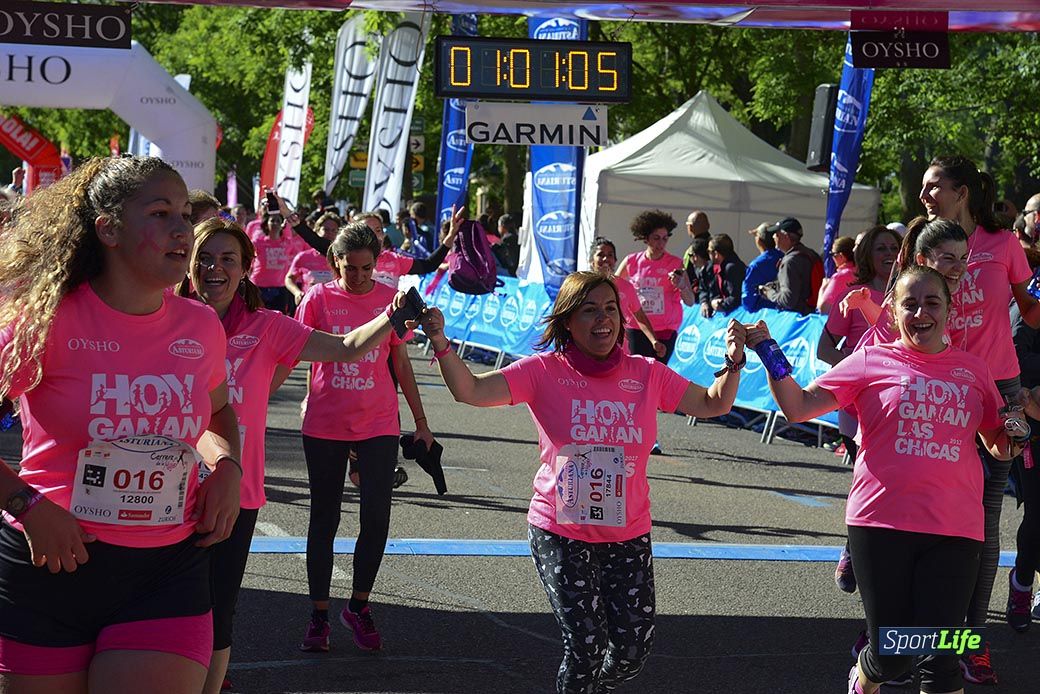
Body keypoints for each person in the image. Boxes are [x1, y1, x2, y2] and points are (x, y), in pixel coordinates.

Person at [423, 270, 745, 694]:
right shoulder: (543, 371)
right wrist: (441, 342)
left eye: (610, 308)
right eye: (590, 310)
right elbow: (471, 390)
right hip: (561, 531)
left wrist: (733, 362)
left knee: (631, 653)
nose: (603, 319)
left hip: (627, 534)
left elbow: (712, 402)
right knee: (587, 648)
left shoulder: (647, 374)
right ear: (568, 321)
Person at [0, 156, 242, 692]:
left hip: (166, 571)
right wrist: (25, 504)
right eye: (160, 213)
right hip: (52, 561)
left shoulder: (200, 325)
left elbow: (217, 412)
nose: (182, 229)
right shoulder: (45, 319)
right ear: (108, 229)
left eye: (185, 214)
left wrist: (227, 466)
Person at [750, 265, 1020, 694]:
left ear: (949, 310)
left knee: (943, 656)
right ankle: (866, 675)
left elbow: (997, 444)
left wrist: (1016, 436)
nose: (921, 313)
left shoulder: (973, 370)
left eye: (932, 303)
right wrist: (767, 349)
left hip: (956, 529)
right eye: (910, 304)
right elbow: (799, 406)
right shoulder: (870, 361)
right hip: (881, 524)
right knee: (893, 656)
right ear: (893, 311)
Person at [178, 217, 414, 693]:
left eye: (227, 259)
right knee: (170, 608)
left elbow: (345, 348)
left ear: (246, 267)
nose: (214, 268)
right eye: (204, 258)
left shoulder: (267, 327)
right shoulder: (163, 317)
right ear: (188, 264)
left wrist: (391, 318)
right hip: (165, 490)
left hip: (235, 490)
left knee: (220, 607)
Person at [919, 154, 1040, 684]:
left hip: (999, 391)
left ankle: (971, 643)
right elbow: (902, 311)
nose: (924, 195)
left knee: (985, 523)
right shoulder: (923, 241)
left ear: (961, 191)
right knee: (925, 508)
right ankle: (888, 615)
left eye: (934, 186)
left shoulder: (1003, 244)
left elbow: (1029, 311)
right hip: (940, 387)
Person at [295, 222, 435, 654]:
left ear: (376, 264)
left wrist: (421, 421)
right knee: (325, 518)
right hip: (326, 422)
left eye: (366, 268)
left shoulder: (389, 300)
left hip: (378, 422)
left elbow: (401, 363)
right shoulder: (317, 298)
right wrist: (306, 396)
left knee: (377, 518)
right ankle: (319, 615)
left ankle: (358, 606)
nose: (358, 276)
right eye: (349, 268)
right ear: (335, 262)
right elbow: (302, 353)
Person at [616, 209, 695, 365]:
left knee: (657, 371)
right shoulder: (631, 261)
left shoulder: (675, 263)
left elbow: (690, 301)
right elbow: (614, 286)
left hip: (665, 330)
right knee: (637, 369)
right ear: (646, 238)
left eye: (665, 238)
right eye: (656, 238)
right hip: (637, 327)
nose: (661, 243)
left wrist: (682, 286)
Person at [589, 237, 665, 358]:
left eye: (610, 255)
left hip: (619, 350)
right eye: (600, 255)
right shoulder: (583, 286)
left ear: (615, 260)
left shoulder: (626, 287)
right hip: (590, 347)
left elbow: (640, 316)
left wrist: (654, 341)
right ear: (591, 261)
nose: (606, 259)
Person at [757, 217, 823, 314]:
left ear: (786, 236)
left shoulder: (790, 262)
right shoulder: (812, 255)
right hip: (814, 316)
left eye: (777, 234)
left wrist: (769, 293)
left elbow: (788, 300)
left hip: (796, 318)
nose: (774, 237)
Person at [285, 211, 340, 304]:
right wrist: (297, 292)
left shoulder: (342, 258)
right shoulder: (303, 256)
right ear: (317, 230)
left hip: (335, 305)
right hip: (309, 304)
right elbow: (289, 278)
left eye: (334, 230)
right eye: (326, 229)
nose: (330, 233)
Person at [250, 209, 298, 314]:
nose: (275, 223)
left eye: (278, 221)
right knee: (257, 316)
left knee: (279, 317)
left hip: (280, 288)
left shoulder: (287, 243)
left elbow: (289, 229)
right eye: (272, 221)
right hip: (259, 287)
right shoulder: (257, 243)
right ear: (266, 224)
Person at [701, 234, 746, 317]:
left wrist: (721, 305)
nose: (708, 254)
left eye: (709, 251)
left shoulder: (732, 268)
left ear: (716, 254)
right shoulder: (715, 267)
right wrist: (708, 301)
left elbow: (736, 297)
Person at [741, 223, 783, 312]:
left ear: (759, 240)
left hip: (764, 314)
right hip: (785, 312)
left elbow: (748, 300)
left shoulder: (756, 266)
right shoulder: (785, 258)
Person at [817, 236, 857, 314]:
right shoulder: (864, 273)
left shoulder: (840, 276)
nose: (832, 258)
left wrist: (822, 288)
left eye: (833, 254)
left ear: (841, 256)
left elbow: (823, 308)